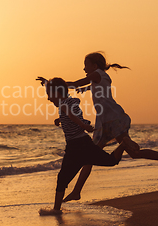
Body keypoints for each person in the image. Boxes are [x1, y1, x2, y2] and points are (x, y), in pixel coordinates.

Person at [37, 52, 158, 203]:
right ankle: (76, 191)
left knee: (130, 153)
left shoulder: (98, 75)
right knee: (91, 155)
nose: (84, 68)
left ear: (95, 66)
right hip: (105, 120)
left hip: (112, 119)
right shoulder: (98, 79)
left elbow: (75, 84)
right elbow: (82, 89)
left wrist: (51, 83)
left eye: (86, 65)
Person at [38, 78, 125, 216]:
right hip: (83, 144)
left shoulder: (64, 105)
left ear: (57, 93)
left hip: (76, 147)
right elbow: (73, 115)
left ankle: (56, 210)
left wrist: (83, 126)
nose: (48, 98)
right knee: (110, 161)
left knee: (62, 179)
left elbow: (73, 116)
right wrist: (61, 119)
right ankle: (123, 145)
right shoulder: (70, 102)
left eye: (49, 94)